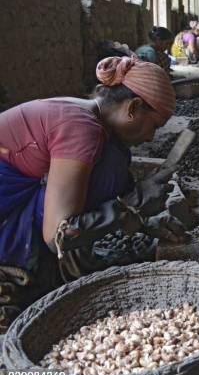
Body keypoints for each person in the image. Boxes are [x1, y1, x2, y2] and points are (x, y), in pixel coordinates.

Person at [0, 57, 184, 331]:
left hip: (14, 199)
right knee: (109, 169)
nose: (150, 138)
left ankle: (56, 269)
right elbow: (58, 237)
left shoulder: (86, 115)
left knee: (113, 162)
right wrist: (132, 204)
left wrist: (145, 224)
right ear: (133, 108)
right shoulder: (83, 129)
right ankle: (19, 271)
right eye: (154, 125)